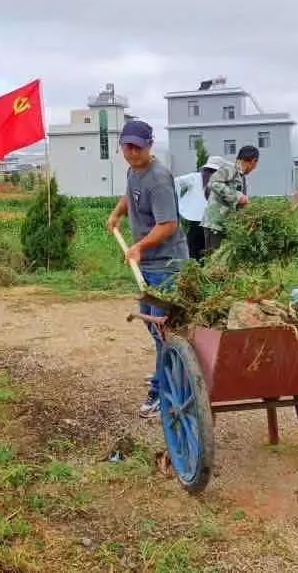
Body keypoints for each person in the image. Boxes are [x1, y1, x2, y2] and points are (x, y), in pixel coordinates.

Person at [106, 120, 188, 418]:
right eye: (126, 146)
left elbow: (168, 224)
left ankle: (161, 391)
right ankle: (167, 370)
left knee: (163, 331)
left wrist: (139, 247)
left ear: (149, 145)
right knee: (155, 329)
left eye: (137, 147)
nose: (131, 152)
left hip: (168, 265)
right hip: (148, 266)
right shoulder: (134, 171)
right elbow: (130, 194)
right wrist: (116, 214)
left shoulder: (158, 179)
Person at [202, 145, 260, 254]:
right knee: (214, 262)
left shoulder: (239, 175)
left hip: (225, 225)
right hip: (215, 224)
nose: (254, 168)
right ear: (253, 161)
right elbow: (213, 183)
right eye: (255, 164)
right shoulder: (230, 168)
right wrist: (238, 196)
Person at [175, 156, 231, 260]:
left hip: (197, 221)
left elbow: (175, 182)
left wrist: (179, 202)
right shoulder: (201, 178)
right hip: (210, 223)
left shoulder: (195, 177)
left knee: (194, 253)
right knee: (211, 254)